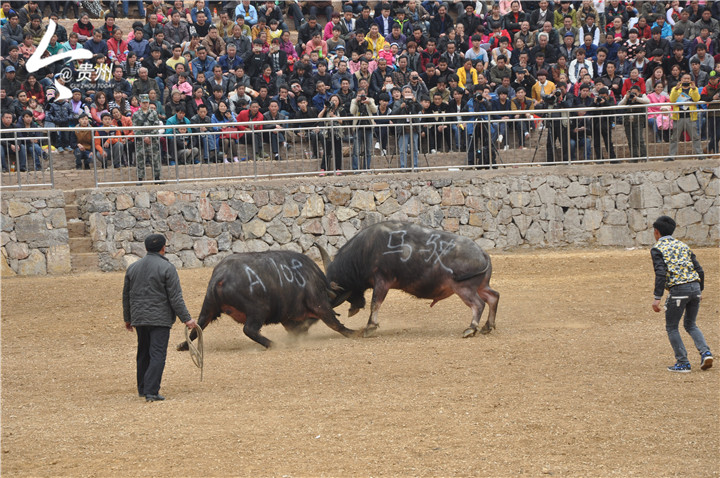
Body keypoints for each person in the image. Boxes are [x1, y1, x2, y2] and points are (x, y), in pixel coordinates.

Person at [123, 233, 197, 402]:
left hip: (139, 317)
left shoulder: (133, 268)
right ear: (163, 248)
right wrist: (187, 319)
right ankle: (151, 391)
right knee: (157, 354)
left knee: (143, 353)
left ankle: (142, 388)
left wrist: (128, 318)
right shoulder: (167, 268)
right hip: (159, 319)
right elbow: (175, 297)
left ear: (146, 248)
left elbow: (126, 296)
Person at [650, 216, 712, 373]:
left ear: (656, 232)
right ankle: (705, 353)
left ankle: (683, 362)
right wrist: (700, 289)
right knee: (690, 324)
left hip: (678, 290)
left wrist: (657, 297)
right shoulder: (683, 245)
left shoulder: (658, 248)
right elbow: (700, 270)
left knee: (672, 327)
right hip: (695, 288)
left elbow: (661, 273)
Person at [668, 73, 702, 162]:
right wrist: (676, 89)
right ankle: (671, 156)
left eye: (688, 78)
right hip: (678, 116)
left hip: (690, 116)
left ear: (691, 80)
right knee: (674, 137)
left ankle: (700, 154)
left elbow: (696, 99)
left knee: (695, 136)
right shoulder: (675, 89)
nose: (686, 80)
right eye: (684, 78)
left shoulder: (694, 89)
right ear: (681, 79)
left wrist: (694, 89)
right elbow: (672, 100)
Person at [132, 94, 162, 182]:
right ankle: (140, 179)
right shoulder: (136, 114)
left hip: (153, 140)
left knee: (155, 159)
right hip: (141, 141)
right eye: (143, 102)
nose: (145, 104)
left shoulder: (153, 113)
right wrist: (144, 137)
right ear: (140, 103)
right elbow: (135, 128)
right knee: (140, 160)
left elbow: (156, 126)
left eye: (147, 102)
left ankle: (157, 178)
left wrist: (149, 136)